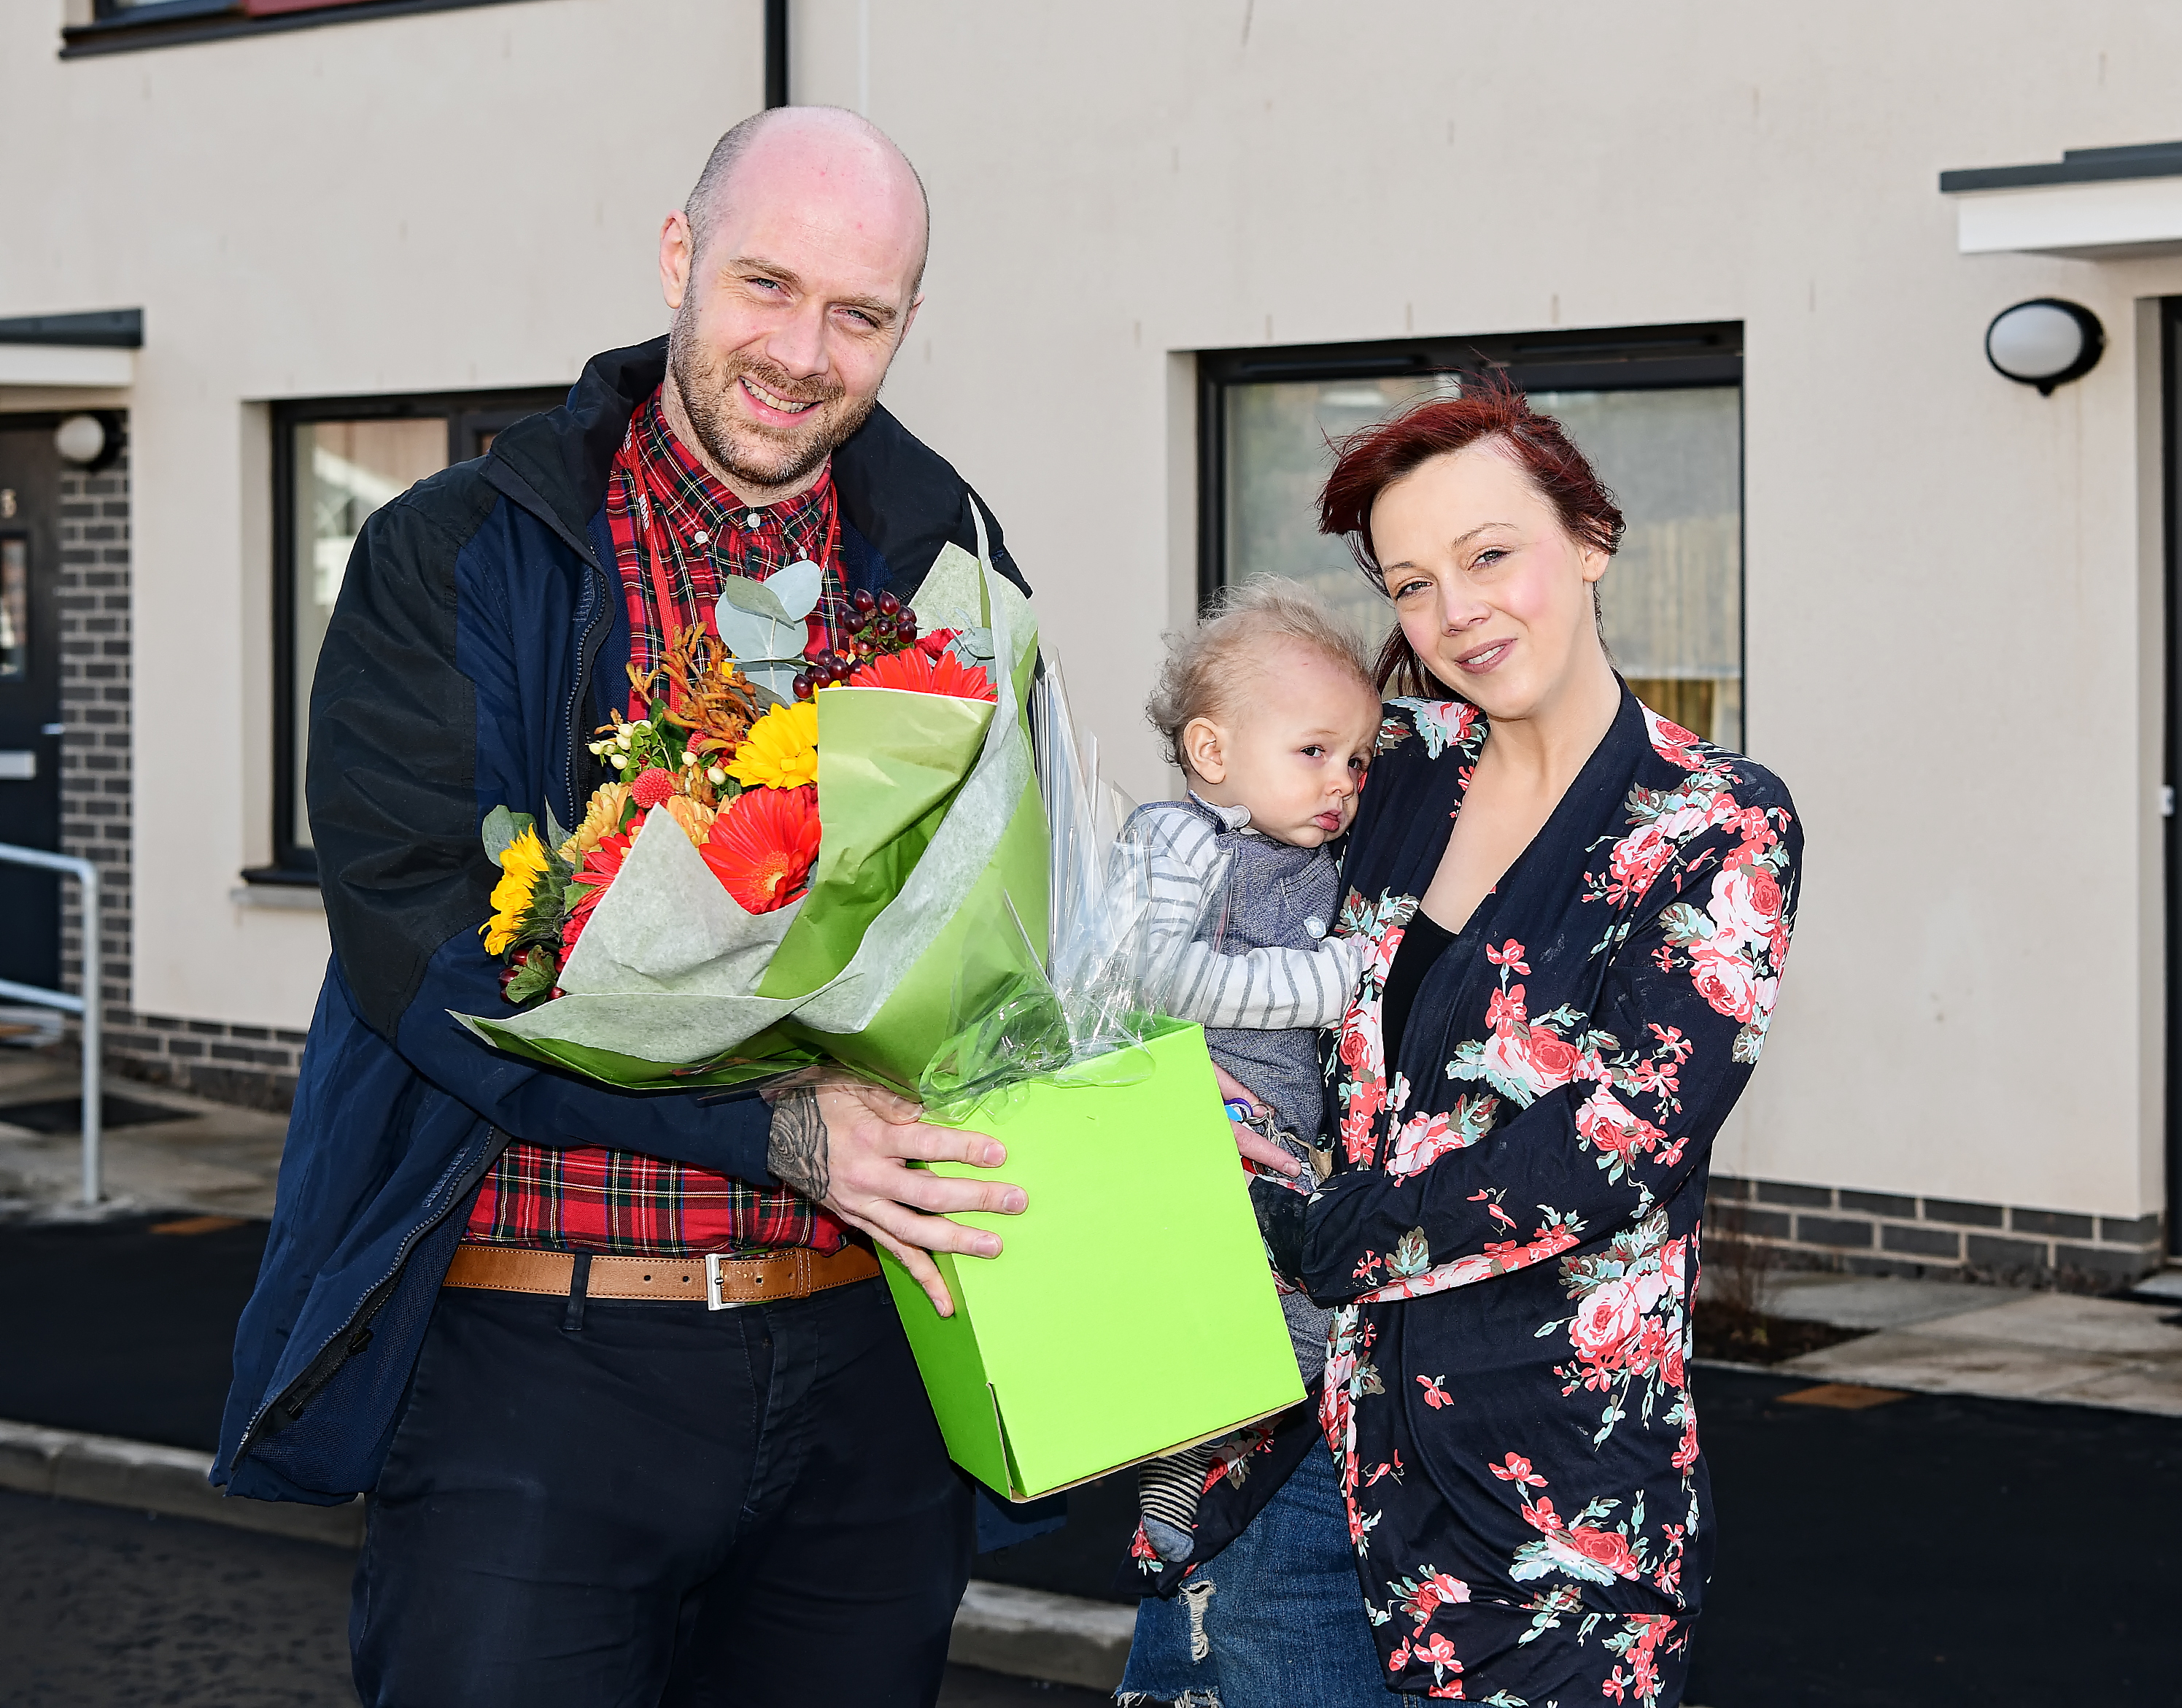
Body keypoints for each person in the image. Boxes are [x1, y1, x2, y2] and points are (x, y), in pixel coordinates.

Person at [214, 107, 1040, 1708]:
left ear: (907, 325)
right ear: (678, 258)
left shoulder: (953, 562)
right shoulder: (457, 552)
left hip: (870, 1377)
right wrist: (769, 1126)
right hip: (542, 1374)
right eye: (765, 285)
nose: (804, 351)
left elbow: (1002, 921)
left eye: (859, 314)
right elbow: (426, 952)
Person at [1128, 382, 1802, 1708]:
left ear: (1590, 539)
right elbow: (1209, 911)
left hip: (1540, 1497)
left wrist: (1317, 1228)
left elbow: (1619, 1141)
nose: (1458, 613)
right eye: (1414, 583)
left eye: (1492, 554)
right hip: (1283, 1449)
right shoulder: (1383, 771)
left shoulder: (1713, 824)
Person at [1121, 579, 1377, 1564]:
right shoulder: (1179, 840)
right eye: (1312, 752)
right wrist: (1324, 984)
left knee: (1299, 1333)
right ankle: (1174, 1482)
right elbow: (1152, 973)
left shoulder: (1312, 859)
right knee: (1231, 1326)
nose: (1340, 782)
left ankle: (1194, 1472)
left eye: (1355, 760)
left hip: (1279, 1146)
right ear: (1212, 751)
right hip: (1200, 1126)